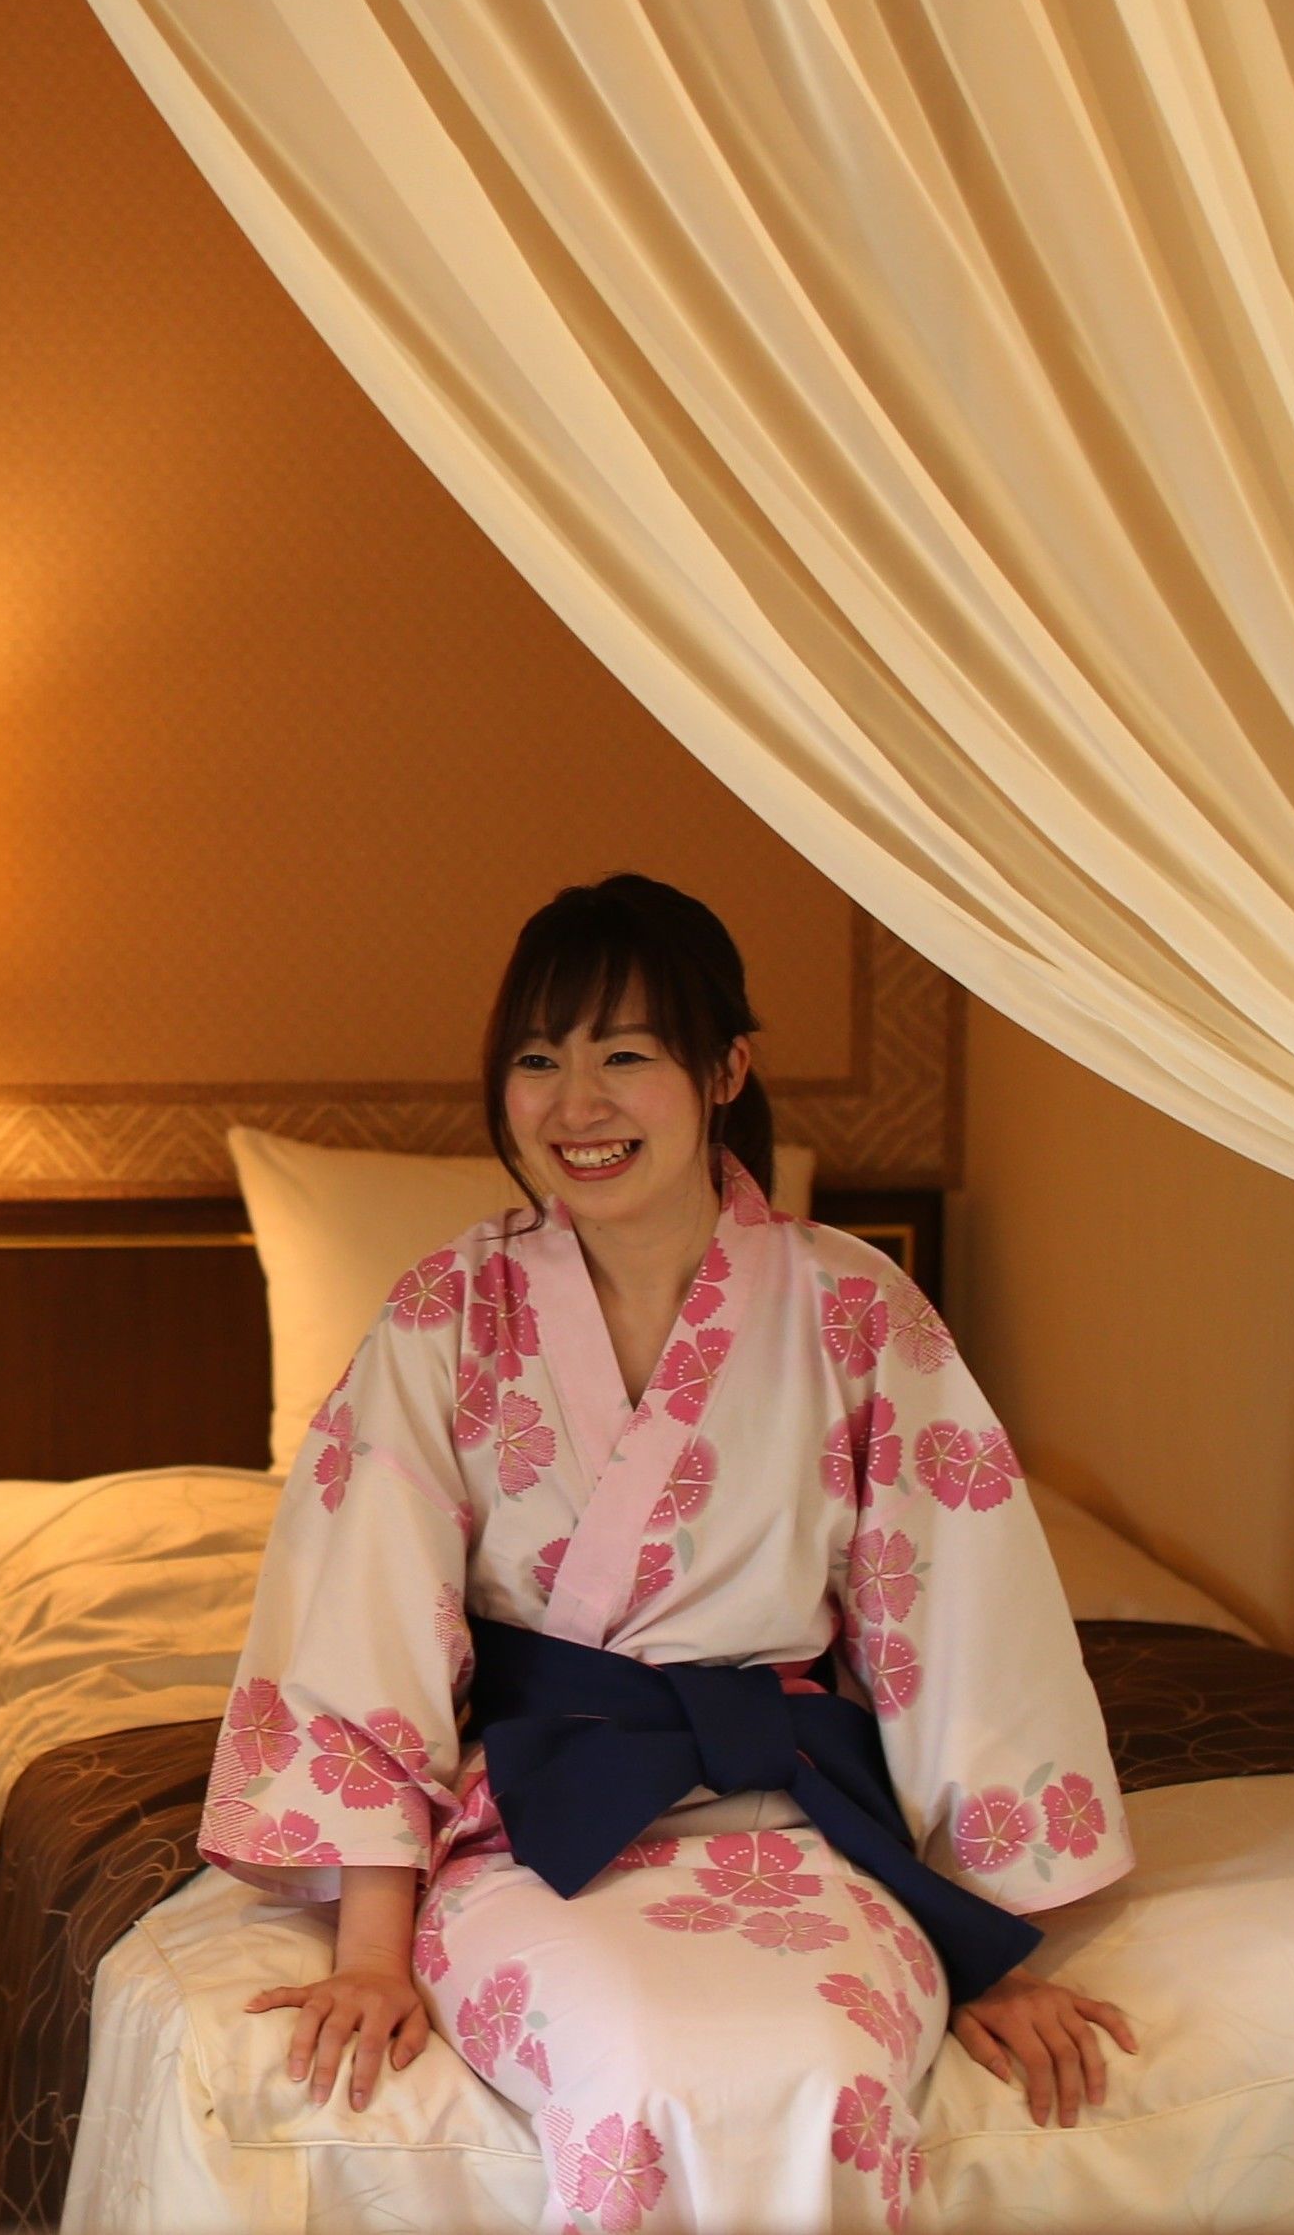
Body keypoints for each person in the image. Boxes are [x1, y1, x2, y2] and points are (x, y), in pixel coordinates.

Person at [206, 875, 1136, 2233]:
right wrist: (372, 1953)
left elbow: (962, 1621)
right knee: (638, 2075)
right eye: (538, 1060)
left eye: (625, 1055)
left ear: (725, 1070)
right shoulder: (444, 1314)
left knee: (828, 2077)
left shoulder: (856, 1305)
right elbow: (366, 1623)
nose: (574, 1105)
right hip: (534, 1833)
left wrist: (990, 1943)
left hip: (801, 1822)